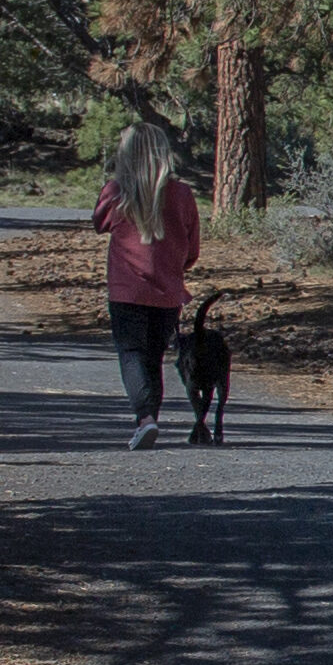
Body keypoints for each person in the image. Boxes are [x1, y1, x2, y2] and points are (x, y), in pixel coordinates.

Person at [92, 115, 202, 450]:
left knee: (131, 353)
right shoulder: (182, 194)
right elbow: (192, 248)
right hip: (167, 292)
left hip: (127, 292)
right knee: (153, 357)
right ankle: (149, 418)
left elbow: (99, 222)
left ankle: (144, 418)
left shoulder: (115, 193)